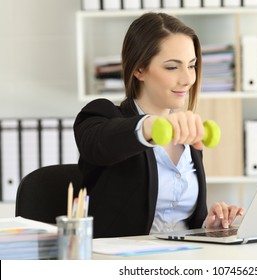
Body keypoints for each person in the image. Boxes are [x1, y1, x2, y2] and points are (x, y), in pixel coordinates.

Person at [74, 12, 244, 238]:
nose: (187, 79)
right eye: (172, 67)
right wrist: (150, 128)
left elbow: (181, 221)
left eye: (191, 65)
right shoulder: (102, 116)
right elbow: (97, 144)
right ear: (139, 69)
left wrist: (208, 226)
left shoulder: (187, 135)